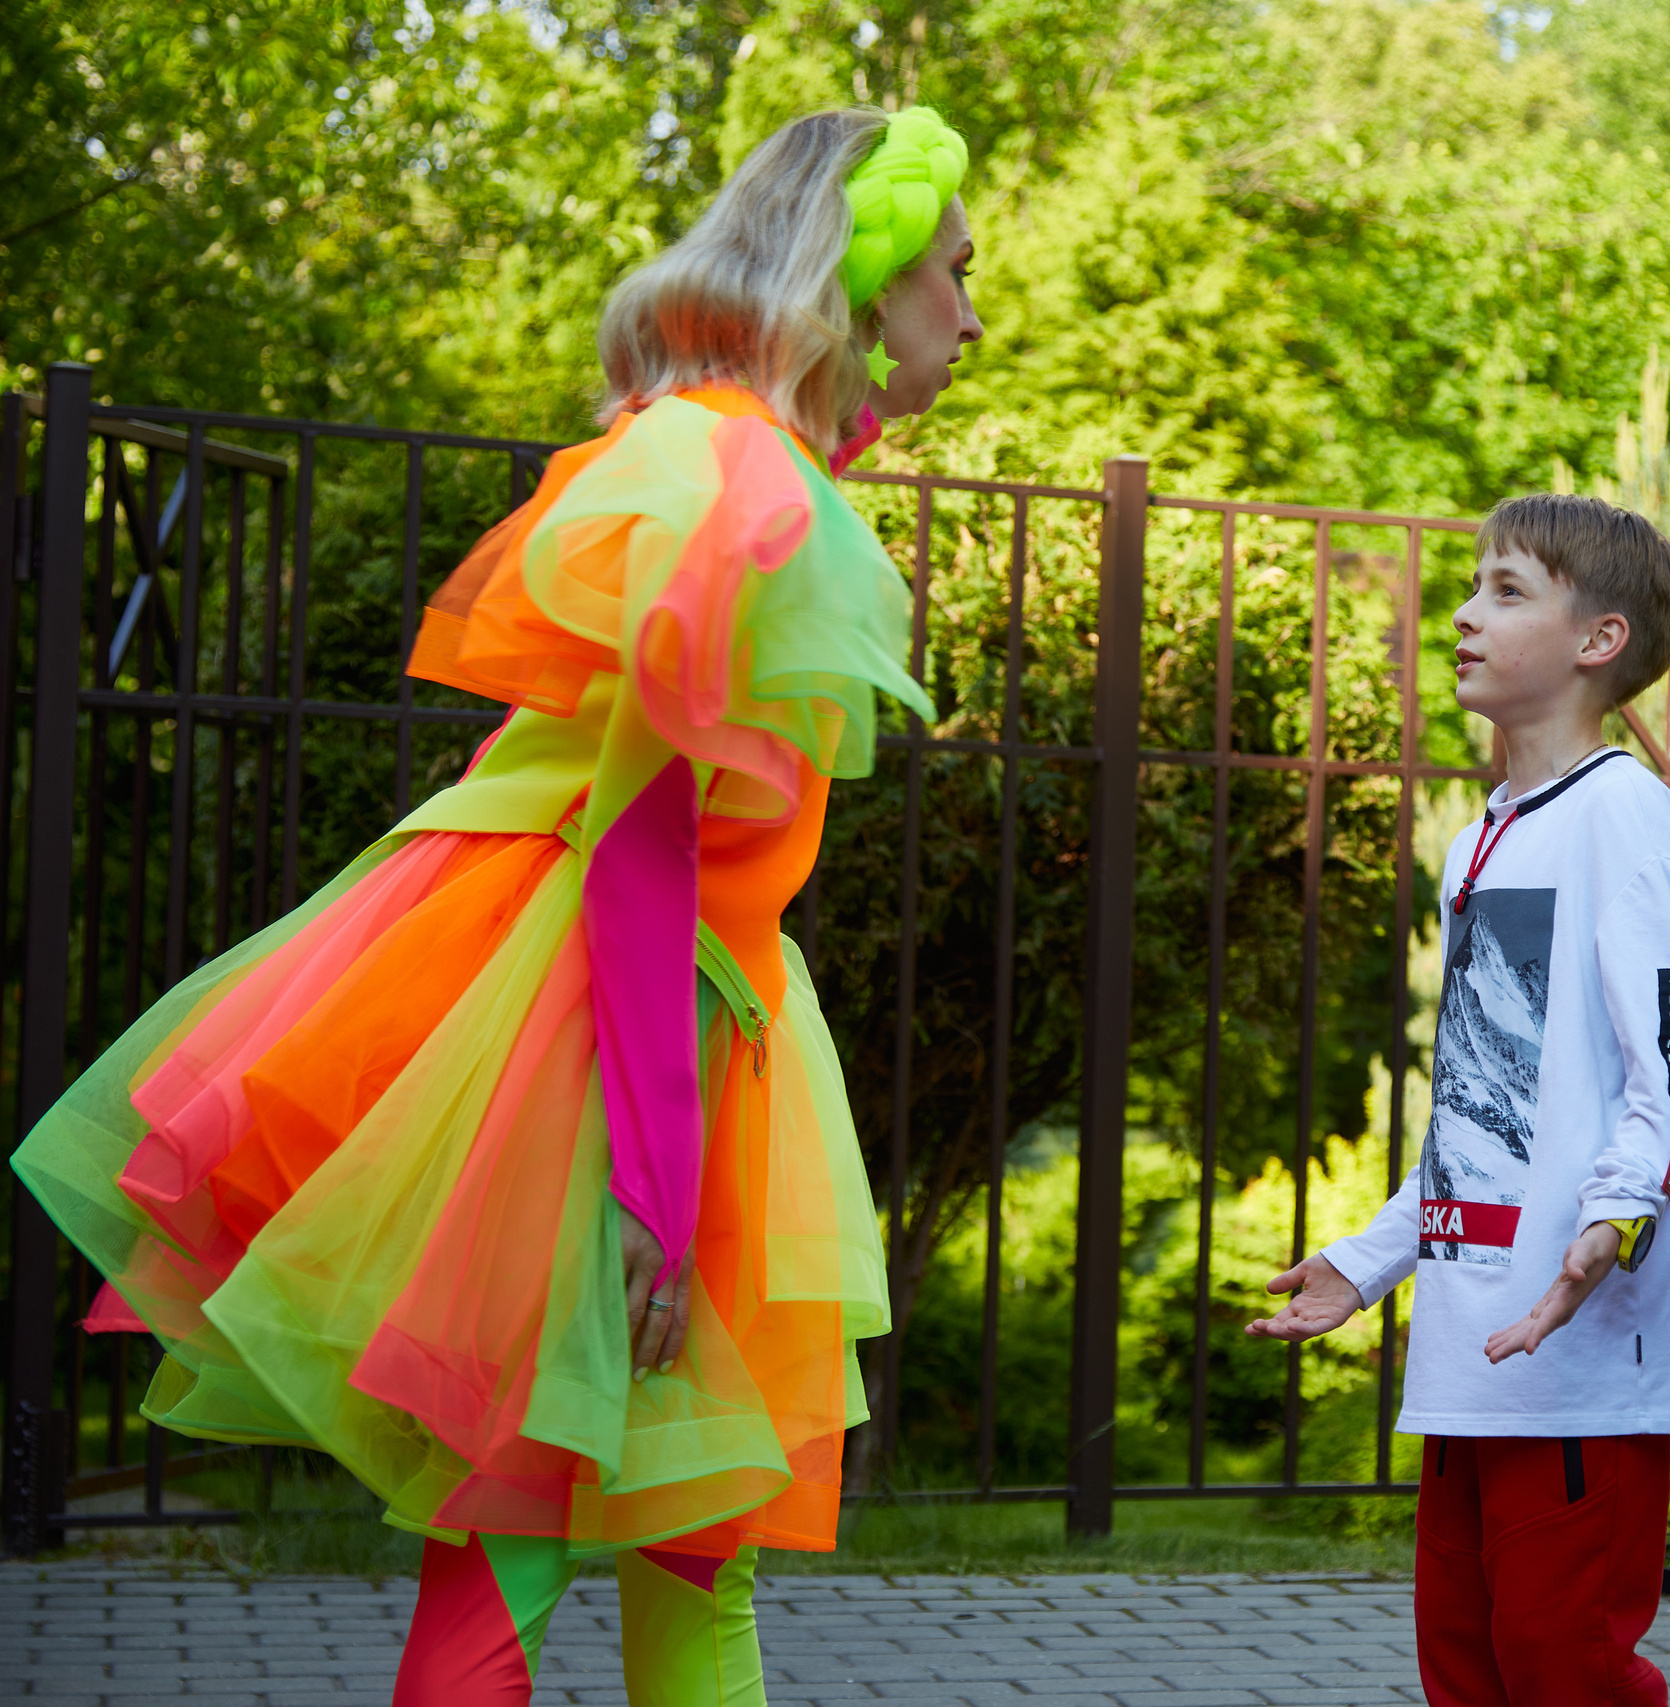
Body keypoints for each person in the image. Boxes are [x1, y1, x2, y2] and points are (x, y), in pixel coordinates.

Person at [11, 104, 982, 1705]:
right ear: (865, 278)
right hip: (606, 1056)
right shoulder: (736, 474)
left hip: (682, 1037)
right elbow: (642, 841)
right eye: (954, 268)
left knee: (660, 1556)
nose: (971, 305)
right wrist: (653, 1187)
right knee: (541, 1560)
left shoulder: (739, 455)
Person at [1251, 493, 1670, 1707]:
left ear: (1598, 640)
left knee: (1563, 1669)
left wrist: (1604, 1230)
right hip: (1482, 1353)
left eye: (1507, 590)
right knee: (1467, 1668)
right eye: (1473, 586)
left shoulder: (1626, 816)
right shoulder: (1485, 837)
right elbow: (1483, 1112)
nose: (1463, 613)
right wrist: (1363, 1265)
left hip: (1581, 1353)